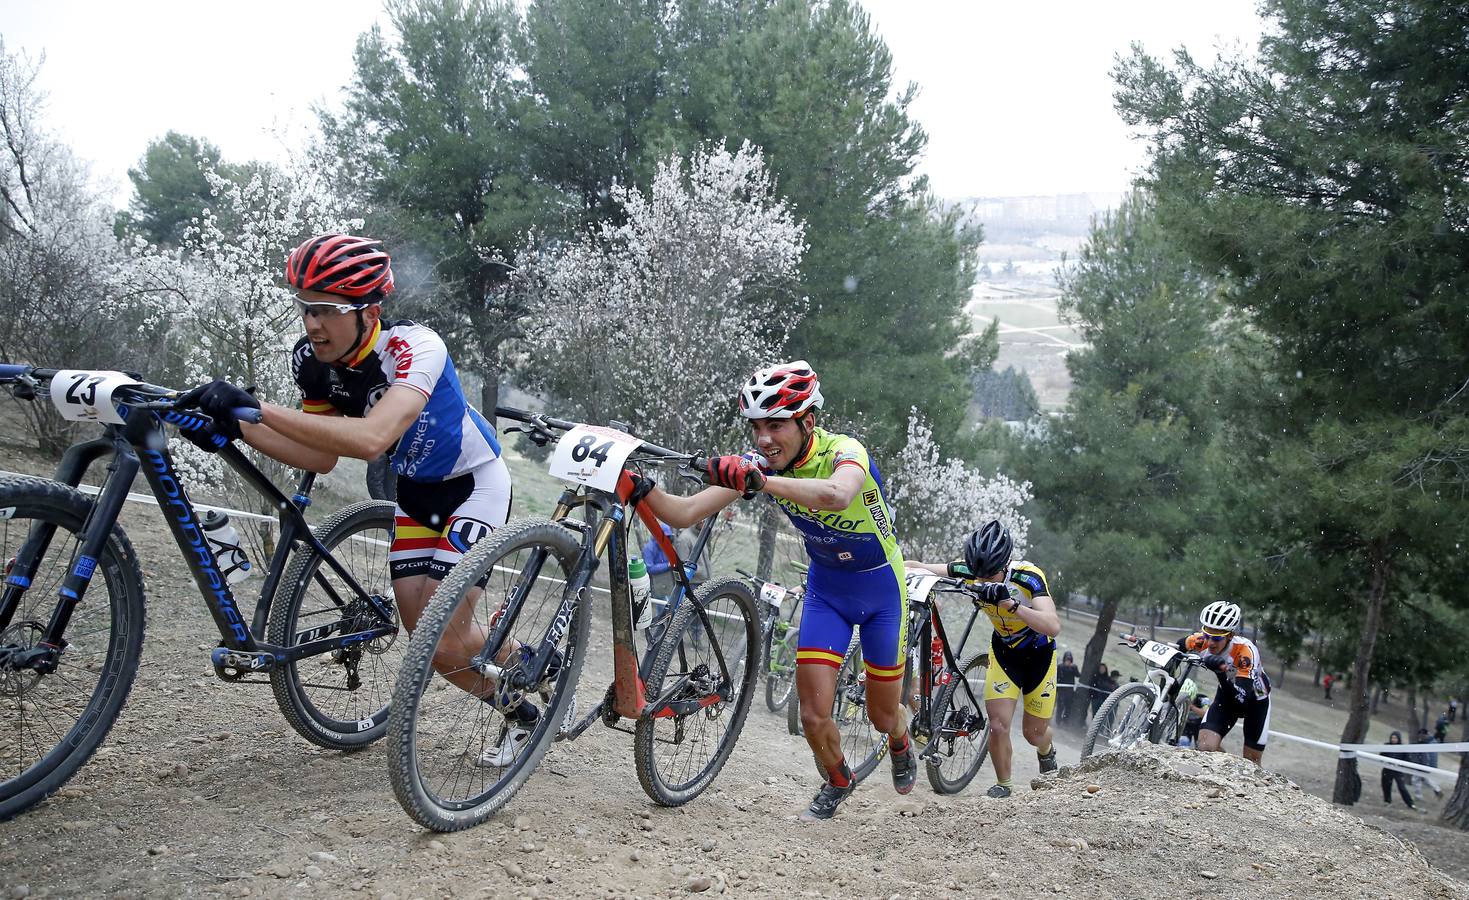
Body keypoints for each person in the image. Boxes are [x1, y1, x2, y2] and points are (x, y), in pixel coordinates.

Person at [177, 233, 523, 761]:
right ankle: (518, 693)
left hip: (473, 485)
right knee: (428, 640)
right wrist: (233, 430)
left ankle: (528, 687)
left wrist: (257, 409)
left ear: (369, 311)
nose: (312, 323)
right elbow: (318, 455)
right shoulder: (314, 362)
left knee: (447, 637)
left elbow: (370, 439)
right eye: (305, 308)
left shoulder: (415, 349)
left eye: (327, 310)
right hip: (415, 493)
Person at [633, 361, 911, 821]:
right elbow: (682, 513)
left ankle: (900, 740)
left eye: (776, 424)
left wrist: (758, 480)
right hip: (828, 592)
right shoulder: (761, 466)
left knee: (883, 717)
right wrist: (639, 487)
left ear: (808, 422)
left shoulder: (845, 451)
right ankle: (838, 780)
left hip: (883, 590)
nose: (763, 439)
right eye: (756, 427)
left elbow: (837, 496)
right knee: (812, 714)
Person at [908, 520, 1062, 798]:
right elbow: (920, 566)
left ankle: (1046, 749)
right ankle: (1004, 785)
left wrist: (1011, 605)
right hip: (1004, 654)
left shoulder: (1028, 577)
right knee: (999, 724)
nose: (982, 581)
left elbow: (1052, 625)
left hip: (1039, 655)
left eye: (989, 576)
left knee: (1034, 733)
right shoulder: (971, 572)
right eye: (978, 575)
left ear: (1005, 565)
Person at [1177, 601, 1272, 765]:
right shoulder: (1203, 640)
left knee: (1251, 762)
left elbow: (1241, 700)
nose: (1210, 642)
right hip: (1227, 694)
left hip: (1254, 701)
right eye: (1207, 634)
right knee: (1205, 748)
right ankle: (1226, 767)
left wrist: (1221, 674)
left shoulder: (1245, 652)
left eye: (1216, 637)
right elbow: (1177, 647)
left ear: (1230, 635)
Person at [1382, 731, 1416, 809]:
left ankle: (1410, 803)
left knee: (1402, 787)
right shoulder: (1387, 746)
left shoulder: (1402, 748)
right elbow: (1382, 757)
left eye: (1395, 738)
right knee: (1386, 786)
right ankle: (1387, 801)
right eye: (1392, 738)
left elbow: (1407, 759)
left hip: (1398, 771)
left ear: (1398, 738)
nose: (1393, 739)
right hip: (1387, 770)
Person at [642, 522, 676, 599]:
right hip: (656, 581)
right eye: (665, 536)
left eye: (668, 537)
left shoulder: (667, 546)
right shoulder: (649, 548)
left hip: (669, 581)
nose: (667, 539)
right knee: (661, 606)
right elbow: (649, 568)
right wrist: (667, 565)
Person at [1413, 727, 1444, 800]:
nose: (1420, 737)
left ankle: (1419, 796)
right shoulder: (1428, 742)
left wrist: (1427, 766)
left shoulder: (1430, 743)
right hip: (1423, 765)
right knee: (1426, 780)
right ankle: (1437, 790)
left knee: (1416, 779)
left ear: (1425, 735)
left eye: (1421, 735)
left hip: (1426, 765)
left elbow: (1430, 757)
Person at [1056, 650, 1080, 725]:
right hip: (1061, 690)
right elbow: (1057, 677)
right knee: (1060, 706)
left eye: (1069, 660)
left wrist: (1073, 668)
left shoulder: (1073, 667)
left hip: (1069, 691)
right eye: (1067, 660)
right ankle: (1058, 721)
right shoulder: (1060, 666)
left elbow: (1078, 675)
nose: (1068, 661)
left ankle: (1065, 721)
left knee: (1068, 707)